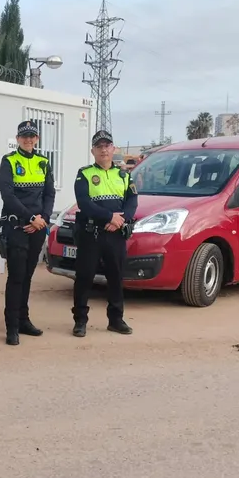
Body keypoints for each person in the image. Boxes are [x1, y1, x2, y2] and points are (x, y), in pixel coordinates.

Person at [71, 129, 139, 338]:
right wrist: (110, 217)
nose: (103, 150)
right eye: (99, 146)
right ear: (93, 151)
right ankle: (80, 321)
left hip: (116, 234)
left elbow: (132, 201)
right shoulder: (85, 174)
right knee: (84, 277)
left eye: (107, 146)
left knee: (116, 277)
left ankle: (116, 320)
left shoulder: (124, 175)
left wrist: (121, 220)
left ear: (113, 149)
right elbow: (84, 203)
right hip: (92, 233)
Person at [0, 119, 56, 346]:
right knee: (16, 277)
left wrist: (43, 219)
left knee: (28, 277)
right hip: (17, 227)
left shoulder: (43, 162)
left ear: (37, 138)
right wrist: (30, 218)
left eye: (32, 136)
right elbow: (7, 196)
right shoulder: (9, 161)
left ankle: (23, 320)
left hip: (38, 227)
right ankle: (11, 327)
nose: (28, 140)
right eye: (24, 136)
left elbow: (49, 194)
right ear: (18, 138)